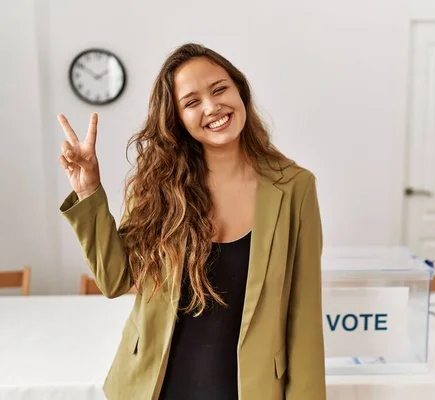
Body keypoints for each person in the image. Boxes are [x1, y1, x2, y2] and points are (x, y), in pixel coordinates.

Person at [57, 43, 325, 400]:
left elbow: (303, 314)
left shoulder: (294, 187)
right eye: (192, 102)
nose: (212, 107)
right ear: (177, 118)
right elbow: (116, 279)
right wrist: (89, 190)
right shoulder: (157, 185)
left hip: (249, 389)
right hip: (154, 387)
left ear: (240, 90)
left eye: (219, 89)